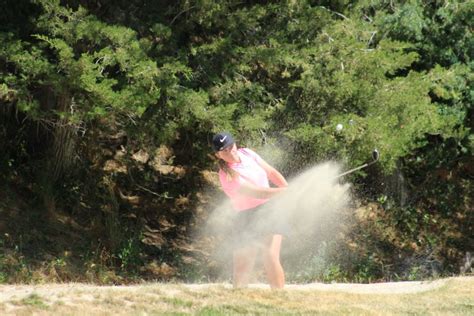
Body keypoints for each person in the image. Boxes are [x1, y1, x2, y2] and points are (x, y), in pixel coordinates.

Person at [212, 131, 289, 289]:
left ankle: (279, 296)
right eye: (224, 151)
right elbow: (257, 192)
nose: (230, 152)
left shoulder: (247, 153)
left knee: (270, 254)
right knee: (242, 262)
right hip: (245, 215)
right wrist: (282, 193)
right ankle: (240, 298)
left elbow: (271, 172)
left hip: (269, 210)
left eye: (231, 146)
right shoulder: (226, 175)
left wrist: (286, 188)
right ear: (218, 155)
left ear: (235, 144)